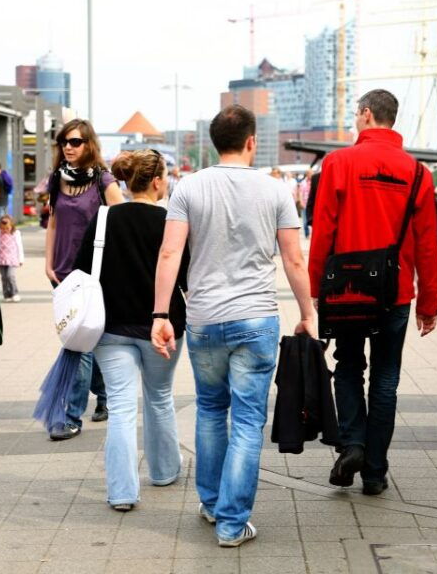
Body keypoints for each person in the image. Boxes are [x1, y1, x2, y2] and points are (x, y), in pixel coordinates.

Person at [151, 105, 316, 547]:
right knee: (246, 421)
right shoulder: (276, 190)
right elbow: (293, 258)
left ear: (213, 142)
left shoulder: (188, 187)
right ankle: (231, 522)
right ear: (251, 142)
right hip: (256, 319)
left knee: (209, 411)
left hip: (205, 319)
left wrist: (161, 315)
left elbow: (169, 254)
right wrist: (308, 312)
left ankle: (210, 504)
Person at [308, 89, 437, 495]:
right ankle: (375, 472)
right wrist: (429, 304)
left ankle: (353, 444)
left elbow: (323, 230)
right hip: (395, 293)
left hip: (347, 290)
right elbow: (426, 243)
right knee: (385, 381)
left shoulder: (338, 163)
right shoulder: (418, 173)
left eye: (355, 114)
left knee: (348, 367)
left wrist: (317, 287)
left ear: (366, 115)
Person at [74, 149, 189, 512]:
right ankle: (165, 471)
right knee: (159, 397)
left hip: (110, 326)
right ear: (157, 182)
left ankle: (122, 492)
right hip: (163, 324)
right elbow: (185, 275)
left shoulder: (105, 218)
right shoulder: (172, 220)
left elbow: (81, 270)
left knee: (122, 406)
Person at [45, 119, 124, 440]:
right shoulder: (56, 179)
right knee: (86, 340)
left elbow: (123, 219)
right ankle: (104, 398)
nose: (68, 146)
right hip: (62, 273)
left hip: (94, 275)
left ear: (89, 144)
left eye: (75, 141)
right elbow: (52, 222)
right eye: (64, 141)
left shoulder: (103, 180)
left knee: (79, 345)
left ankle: (71, 416)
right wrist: (48, 263)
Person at [0, 214, 24, 303]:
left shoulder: (16, 233)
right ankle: (7, 294)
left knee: (10, 276)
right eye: (3, 228)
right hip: (2, 259)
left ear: (12, 226)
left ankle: (15, 293)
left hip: (12, 259)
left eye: (7, 228)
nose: (5, 230)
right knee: (4, 277)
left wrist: (21, 259)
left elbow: (19, 246)